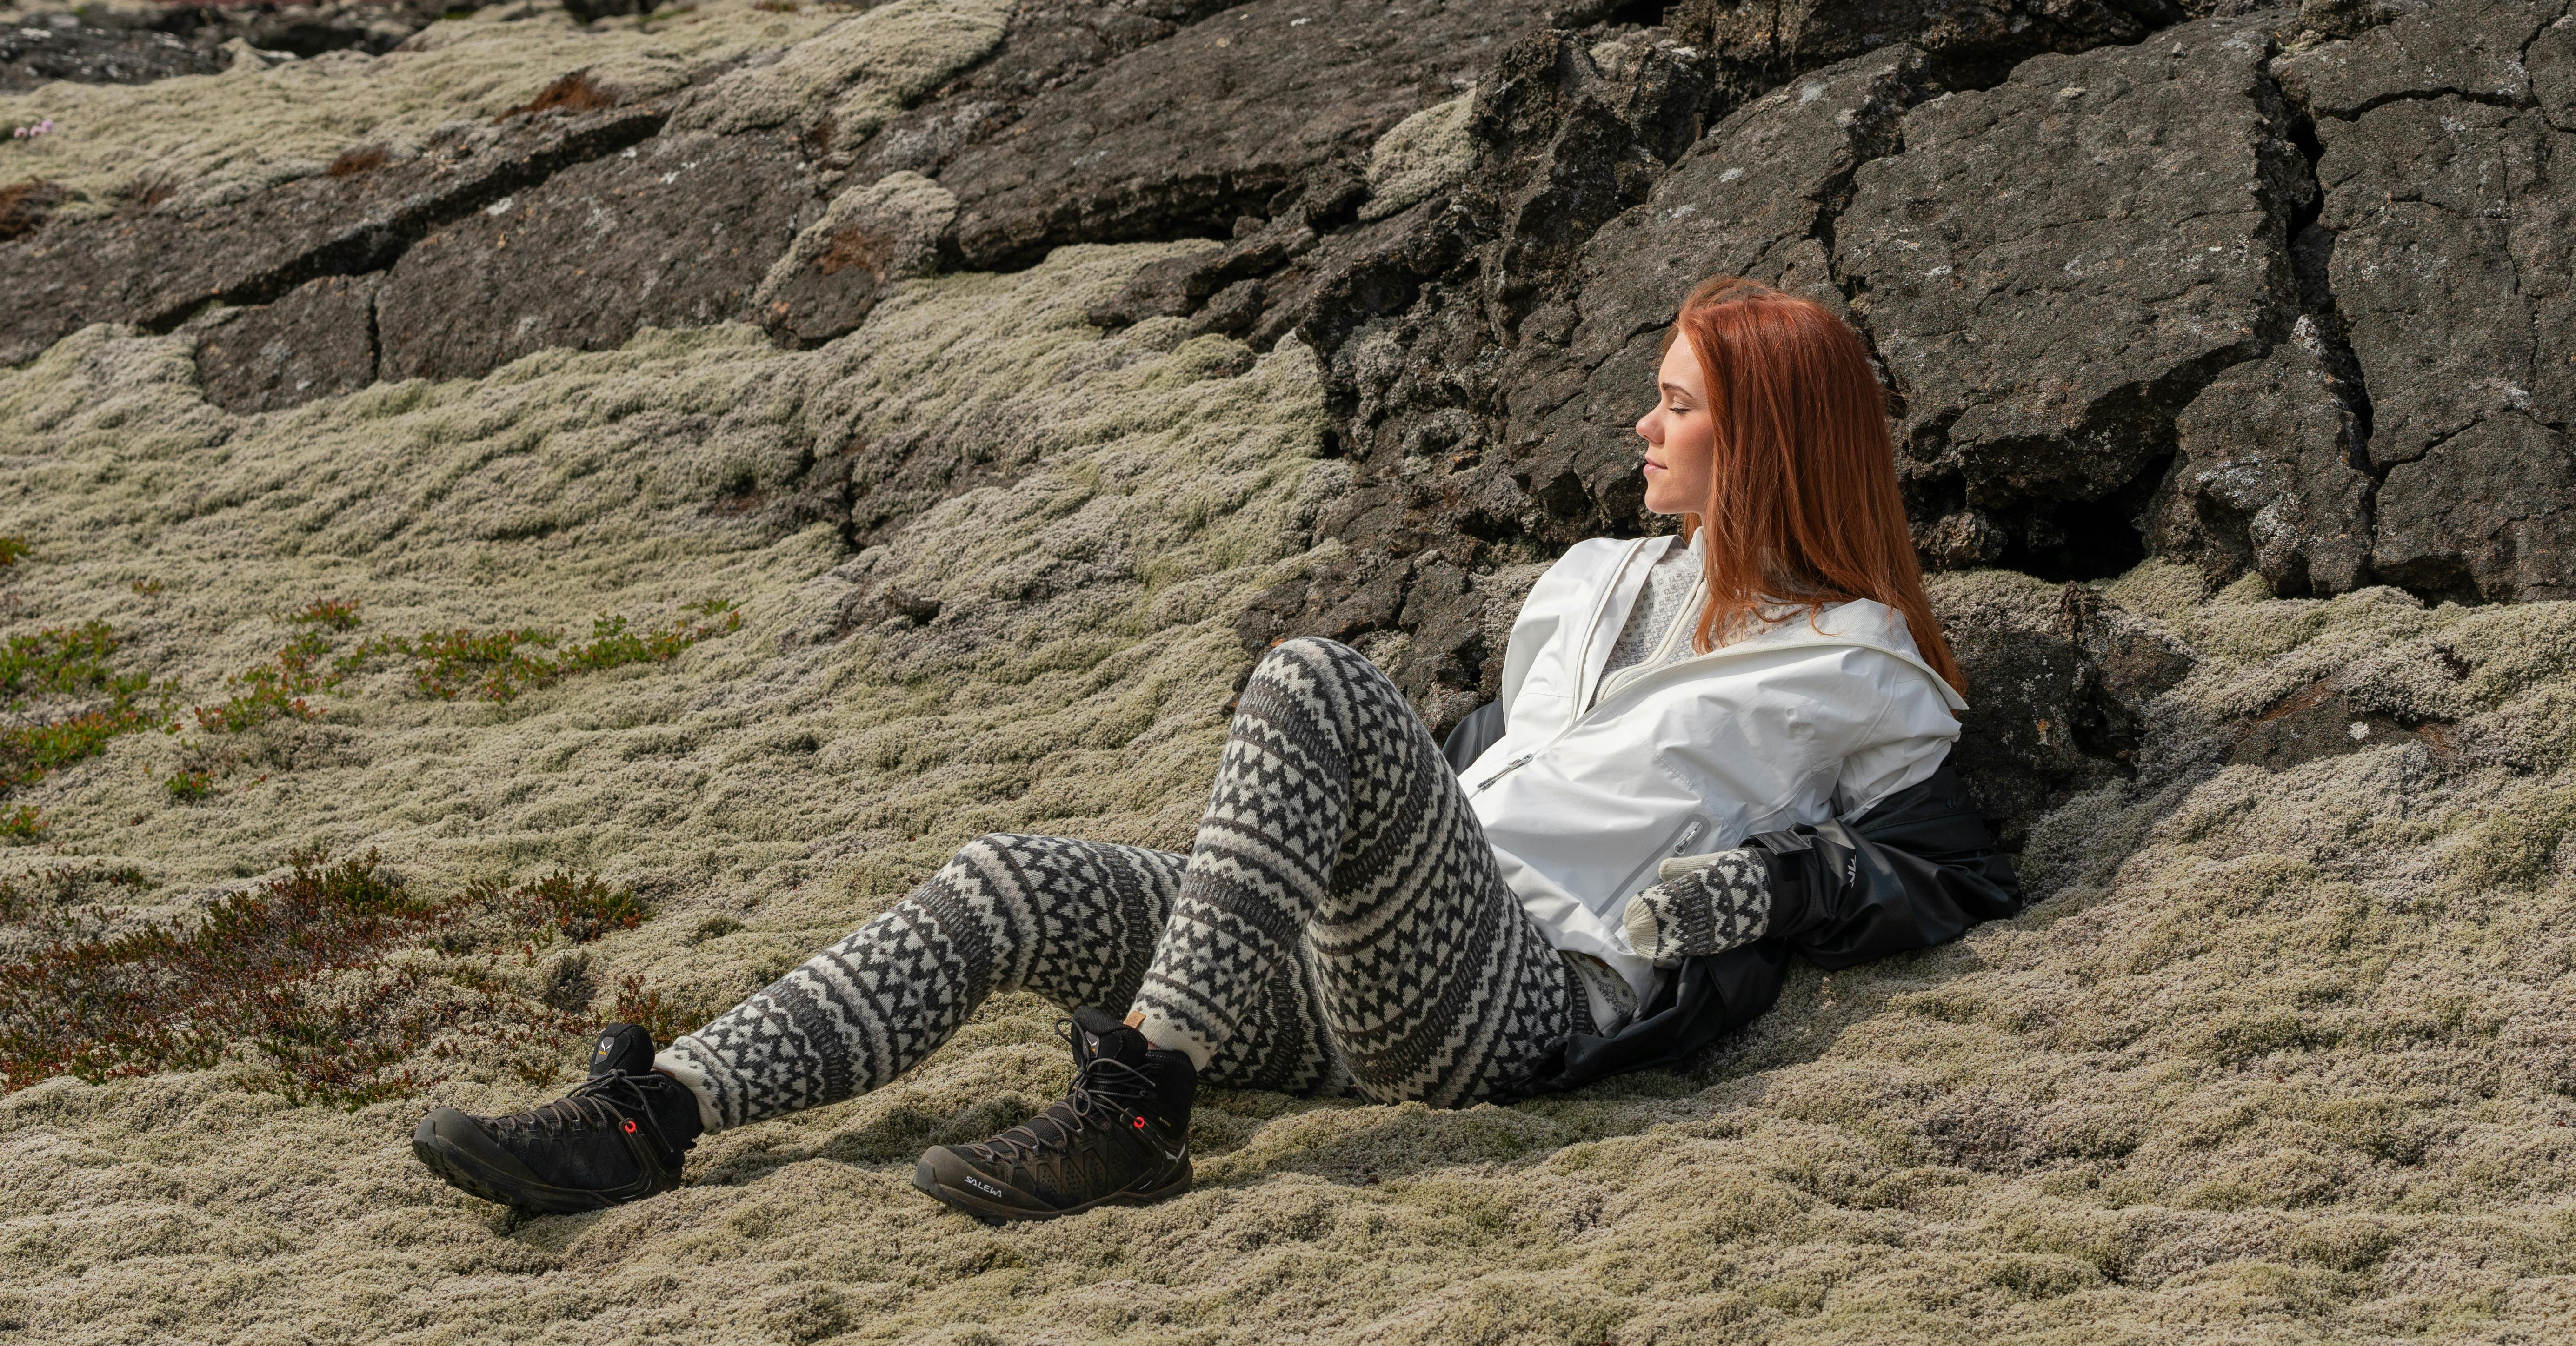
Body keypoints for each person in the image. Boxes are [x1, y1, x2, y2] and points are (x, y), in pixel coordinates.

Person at [413, 275, 2022, 1225]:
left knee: (1316, 675)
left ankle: (1133, 1117)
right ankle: (652, 1123)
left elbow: (1952, 875)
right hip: (1363, 967)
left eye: (1675, 406)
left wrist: (1752, 899)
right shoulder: (1593, 581)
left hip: (1521, 1002)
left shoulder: (1861, 670)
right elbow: (1477, 778)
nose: (1642, 430)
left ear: (1767, 439)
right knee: (1012, 880)